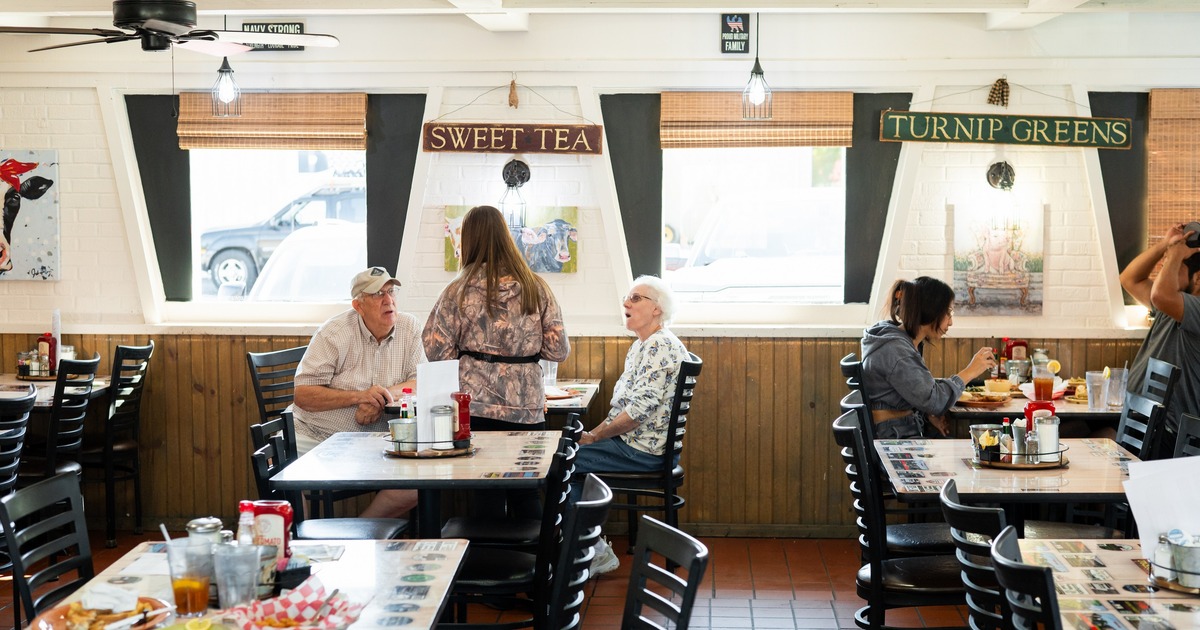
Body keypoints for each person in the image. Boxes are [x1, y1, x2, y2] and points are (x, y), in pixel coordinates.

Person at [423, 205, 570, 520]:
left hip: (476, 406)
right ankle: (536, 565)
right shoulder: (536, 287)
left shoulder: (457, 291)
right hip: (528, 406)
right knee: (527, 490)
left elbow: (435, 350)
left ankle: (490, 564)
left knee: (483, 489)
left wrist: (470, 358)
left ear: (471, 240)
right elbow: (559, 350)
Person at [574, 275, 690, 576]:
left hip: (642, 450)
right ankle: (583, 544)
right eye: (627, 297)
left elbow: (637, 413)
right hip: (632, 443)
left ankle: (590, 550)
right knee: (569, 453)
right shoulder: (642, 345)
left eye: (636, 298)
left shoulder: (658, 346)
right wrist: (591, 436)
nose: (626, 302)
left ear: (657, 308)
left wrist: (595, 436)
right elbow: (621, 410)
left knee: (562, 465)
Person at [293, 266, 426, 518]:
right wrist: (359, 397)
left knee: (419, 483)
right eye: (378, 295)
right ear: (358, 305)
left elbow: (420, 381)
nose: (389, 300)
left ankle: (362, 532)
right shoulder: (334, 334)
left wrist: (380, 397)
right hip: (316, 435)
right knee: (277, 469)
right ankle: (303, 545)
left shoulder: (410, 328)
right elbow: (303, 395)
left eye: (390, 291)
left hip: (377, 442)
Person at [860, 276, 995, 439]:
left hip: (897, 431)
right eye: (948, 313)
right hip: (894, 439)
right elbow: (935, 401)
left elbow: (919, 393)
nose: (950, 322)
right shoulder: (896, 350)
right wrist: (970, 372)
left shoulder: (896, 342)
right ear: (931, 311)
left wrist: (926, 414)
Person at [1119, 222, 1200, 443]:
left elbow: (1160, 296)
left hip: (1171, 435)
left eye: (1174, 267)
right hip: (1144, 423)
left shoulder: (1193, 307)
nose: (1165, 268)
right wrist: (1165, 245)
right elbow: (1129, 279)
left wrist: (1174, 254)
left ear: (1198, 278)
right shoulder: (1169, 307)